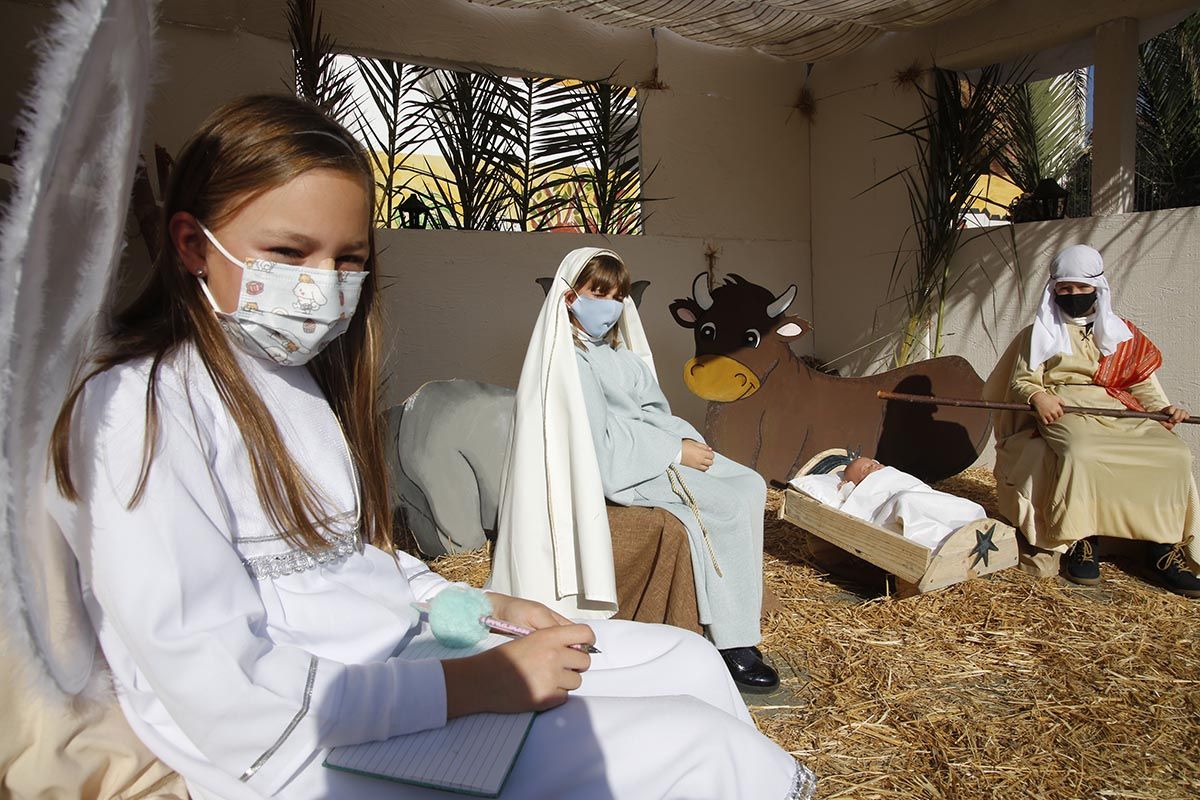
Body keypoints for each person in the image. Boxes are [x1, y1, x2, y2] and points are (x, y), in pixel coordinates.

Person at [45, 95, 815, 799]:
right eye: (289, 253)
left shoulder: (290, 379)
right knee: (706, 751)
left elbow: (342, 562)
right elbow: (220, 686)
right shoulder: (136, 414)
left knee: (685, 664)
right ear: (191, 244)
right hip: (305, 734)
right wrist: (479, 684)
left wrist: (476, 603)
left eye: (349, 259)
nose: (325, 285)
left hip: (399, 660)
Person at [490, 248, 779, 691]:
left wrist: (687, 440)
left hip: (655, 449)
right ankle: (732, 642)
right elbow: (598, 445)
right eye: (597, 292)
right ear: (570, 297)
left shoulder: (621, 357)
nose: (610, 304)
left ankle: (738, 606)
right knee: (723, 504)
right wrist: (673, 451)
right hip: (630, 467)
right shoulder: (571, 363)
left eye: (617, 295)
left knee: (750, 483)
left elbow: (653, 409)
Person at [987, 244, 1200, 596]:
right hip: (1063, 407)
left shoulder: (1121, 333)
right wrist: (1037, 396)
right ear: (1054, 290)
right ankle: (1083, 540)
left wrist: (1163, 410)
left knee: (1173, 454)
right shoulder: (1039, 332)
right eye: (1065, 289)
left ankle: (1161, 549)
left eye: (1082, 288)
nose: (1074, 296)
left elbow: (1139, 383)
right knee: (1080, 453)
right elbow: (1022, 380)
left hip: (1117, 407)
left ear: (1097, 288)